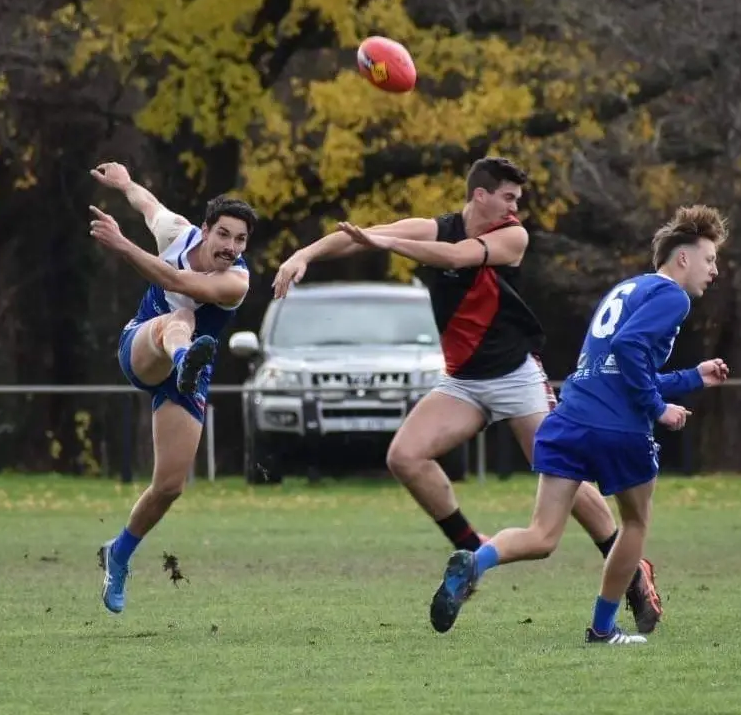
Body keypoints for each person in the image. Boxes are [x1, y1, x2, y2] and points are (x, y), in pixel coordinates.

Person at [272, 156, 664, 633]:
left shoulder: (513, 236)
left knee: (564, 470)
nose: (515, 207)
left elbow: (458, 257)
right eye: (508, 197)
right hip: (462, 381)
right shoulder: (436, 226)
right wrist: (304, 255)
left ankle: (629, 571)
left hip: (517, 376)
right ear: (480, 195)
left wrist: (388, 242)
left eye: (516, 200)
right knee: (405, 457)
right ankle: (471, 548)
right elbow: (357, 233)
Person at [425, 206, 728, 641]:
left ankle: (477, 562)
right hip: (617, 429)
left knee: (542, 535)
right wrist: (658, 409)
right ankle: (603, 629)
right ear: (682, 258)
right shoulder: (672, 296)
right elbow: (628, 350)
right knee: (636, 525)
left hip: (568, 419)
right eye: (710, 259)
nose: (714, 271)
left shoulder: (628, 289)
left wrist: (692, 378)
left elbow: (620, 364)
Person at [87, 161, 256, 614]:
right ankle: (183, 358)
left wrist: (121, 245)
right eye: (224, 235)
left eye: (240, 240)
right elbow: (148, 206)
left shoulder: (236, 281)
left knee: (169, 486)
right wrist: (124, 183)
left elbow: (176, 280)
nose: (231, 247)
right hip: (142, 345)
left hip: (190, 373)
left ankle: (118, 553)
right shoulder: (177, 233)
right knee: (179, 320)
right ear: (205, 230)